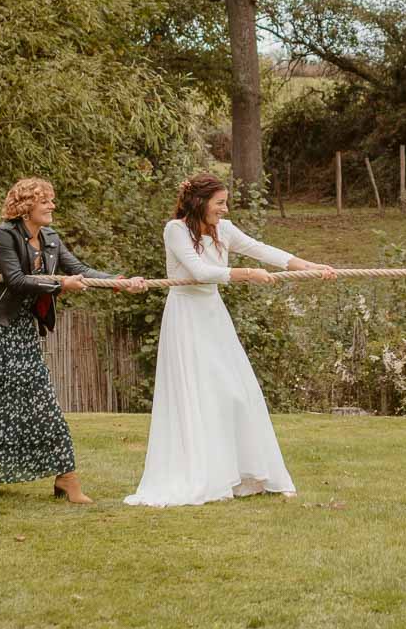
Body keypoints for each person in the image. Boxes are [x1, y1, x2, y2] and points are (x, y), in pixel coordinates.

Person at [0, 178, 144, 504]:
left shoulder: (51, 238)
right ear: (26, 206)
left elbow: (78, 269)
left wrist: (119, 283)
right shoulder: (5, 235)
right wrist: (59, 286)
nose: (52, 206)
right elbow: (15, 280)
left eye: (51, 200)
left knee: (38, 395)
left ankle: (66, 477)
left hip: (21, 326)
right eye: (46, 201)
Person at [124, 174, 335, 507]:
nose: (224, 209)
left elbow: (261, 249)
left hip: (213, 315)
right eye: (219, 202)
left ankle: (246, 474)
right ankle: (204, 475)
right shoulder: (176, 230)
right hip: (186, 317)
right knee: (200, 393)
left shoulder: (225, 230)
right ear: (200, 203)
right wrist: (246, 275)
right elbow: (199, 272)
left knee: (235, 393)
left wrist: (308, 264)